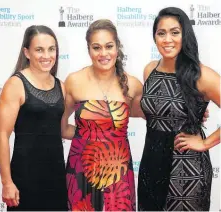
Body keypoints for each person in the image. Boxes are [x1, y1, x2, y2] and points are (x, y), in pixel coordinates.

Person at [138, 7, 220, 211]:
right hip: (151, 162)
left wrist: (205, 142)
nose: (167, 39)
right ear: (154, 37)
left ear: (185, 35)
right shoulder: (150, 70)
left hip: (186, 169)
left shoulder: (201, 75)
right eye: (161, 33)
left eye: (175, 32)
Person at [61, 19, 143, 211]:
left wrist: (197, 113)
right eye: (96, 47)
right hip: (81, 169)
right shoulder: (74, 81)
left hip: (119, 173)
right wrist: (90, 136)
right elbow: (62, 127)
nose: (103, 53)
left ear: (117, 47)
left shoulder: (133, 85)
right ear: (88, 49)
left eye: (109, 46)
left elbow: (156, 115)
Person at [0, 25, 68, 211]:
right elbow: (2, 135)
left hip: (56, 177)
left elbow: (63, 130)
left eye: (51, 49)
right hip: (25, 178)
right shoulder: (16, 84)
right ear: (27, 52)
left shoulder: (61, 86)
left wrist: (101, 131)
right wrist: (6, 183)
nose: (47, 55)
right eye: (39, 49)